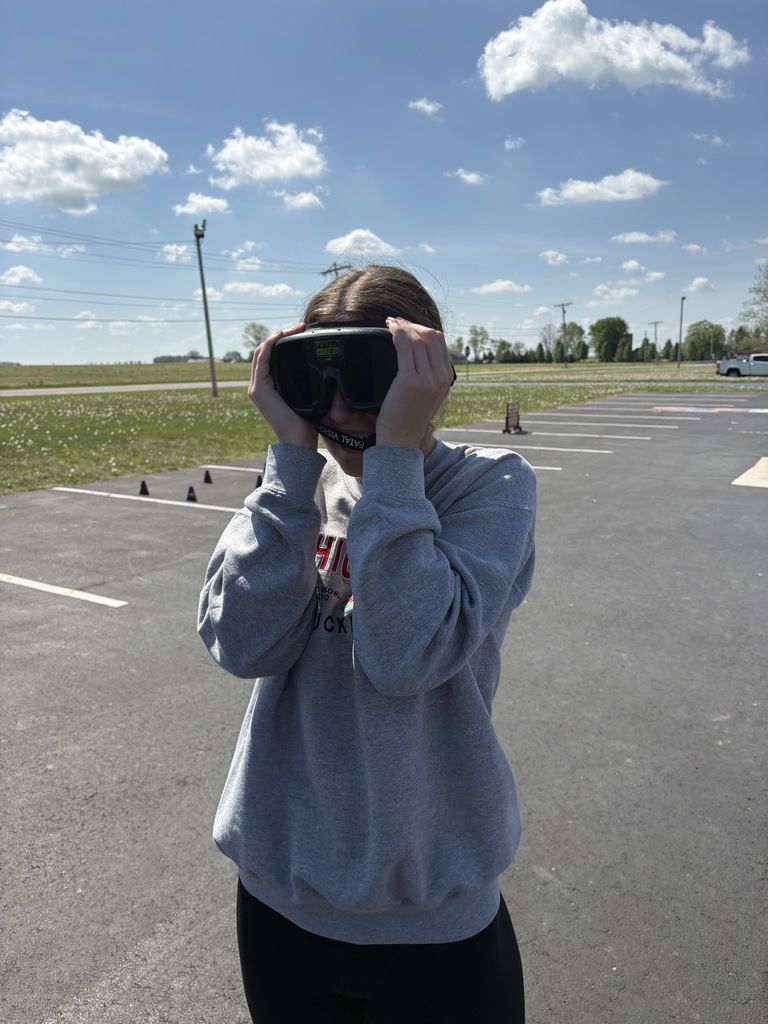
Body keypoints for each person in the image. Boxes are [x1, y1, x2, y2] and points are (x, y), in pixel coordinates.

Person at [198, 264, 536, 1023]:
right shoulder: (295, 485)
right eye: (319, 384)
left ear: (426, 377)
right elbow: (239, 643)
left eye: (368, 382)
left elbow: (404, 655)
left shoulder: (490, 489)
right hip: (282, 901)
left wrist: (394, 459)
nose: (343, 410)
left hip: (431, 922)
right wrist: (290, 462)